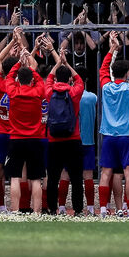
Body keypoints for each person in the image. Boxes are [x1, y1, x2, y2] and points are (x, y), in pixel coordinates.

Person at [97, 31, 129, 216]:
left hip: (109, 135)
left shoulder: (106, 86)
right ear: (127, 73)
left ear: (113, 73)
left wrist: (112, 50)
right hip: (127, 136)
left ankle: (103, 209)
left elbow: (102, 70)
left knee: (106, 172)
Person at [4, 49, 47, 212]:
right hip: (35, 139)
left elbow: (8, 76)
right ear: (31, 80)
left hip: (16, 139)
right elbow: (39, 80)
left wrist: (18, 64)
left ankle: (15, 211)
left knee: (15, 177)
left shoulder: (13, 92)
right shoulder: (38, 92)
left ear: (18, 80)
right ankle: (36, 212)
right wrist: (30, 65)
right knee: (36, 178)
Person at [44, 42, 85, 215]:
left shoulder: (49, 92)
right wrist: (67, 63)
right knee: (76, 178)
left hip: (54, 140)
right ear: (68, 78)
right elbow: (80, 81)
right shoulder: (74, 92)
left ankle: (52, 209)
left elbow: (48, 79)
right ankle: (77, 209)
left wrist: (58, 64)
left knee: (53, 178)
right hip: (73, 139)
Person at [0, 34, 21, 213]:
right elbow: (30, 67)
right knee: (17, 174)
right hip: (15, 133)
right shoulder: (18, 86)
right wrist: (20, 44)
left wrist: (11, 44)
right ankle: (20, 207)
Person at [76, 66, 97, 215]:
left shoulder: (69, 95)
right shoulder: (93, 97)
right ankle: (90, 207)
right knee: (88, 176)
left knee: (66, 175)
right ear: (87, 80)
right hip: (88, 141)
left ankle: (63, 207)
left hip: (72, 140)